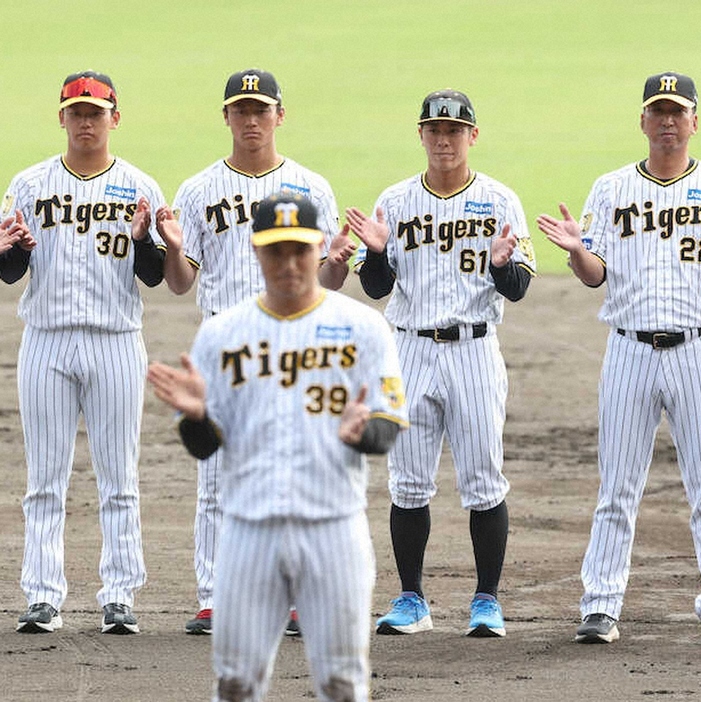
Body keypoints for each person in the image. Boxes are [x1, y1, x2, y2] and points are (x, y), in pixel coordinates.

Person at [147, 192, 407, 702]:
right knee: (235, 683)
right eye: (275, 251)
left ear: (319, 248)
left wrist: (366, 431)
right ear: (255, 251)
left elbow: (388, 424)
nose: (288, 263)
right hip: (247, 530)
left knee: (343, 683)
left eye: (299, 250)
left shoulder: (365, 327)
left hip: (334, 526)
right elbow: (204, 448)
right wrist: (197, 417)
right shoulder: (220, 334)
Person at [537, 72, 701, 647]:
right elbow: (595, 275)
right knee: (617, 485)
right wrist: (577, 253)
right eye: (657, 111)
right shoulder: (611, 189)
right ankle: (601, 604)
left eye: (677, 111)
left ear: (693, 121)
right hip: (629, 351)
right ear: (642, 120)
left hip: (695, 349)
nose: (667, 121)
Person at [154, 68, 356, 636]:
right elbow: (179, 283)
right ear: (226, 117)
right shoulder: (196, 190)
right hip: (223, 346)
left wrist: (337, 261)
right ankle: (215, 596)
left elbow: (330, 280)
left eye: (260, 110)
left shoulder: (312, 187)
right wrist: (172, 249)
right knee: (216, 476)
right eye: (241, 110)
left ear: (279, 116)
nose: (250, 120)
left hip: (295, 348)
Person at [346, 89, 536, 638]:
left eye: (455, 130)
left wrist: (502, 266)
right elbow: (377, 286)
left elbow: (519, 287)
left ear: (472, 136)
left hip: (475, 349)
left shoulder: (500, 200)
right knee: (407, 482)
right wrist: (378, 252)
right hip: (409, 348)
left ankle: (486, 601)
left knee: (483, 479)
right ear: (421, 134)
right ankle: (412, 600)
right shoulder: (396, 200)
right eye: (435, 129)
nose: (444, 139)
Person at [0, 70, 171, 634]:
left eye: (96, 112)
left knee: (118, 476)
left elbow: (152, 276)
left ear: (114, 118)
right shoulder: (27, 184)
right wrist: (12, 249)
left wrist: (147, 239)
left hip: (116, 343)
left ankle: (119, 595)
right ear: (62, 118)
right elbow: (8, 273)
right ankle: (42, 595)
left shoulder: (142, 186)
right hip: (46, 340)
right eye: (76, 112)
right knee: (45, 478)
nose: (86, 122)